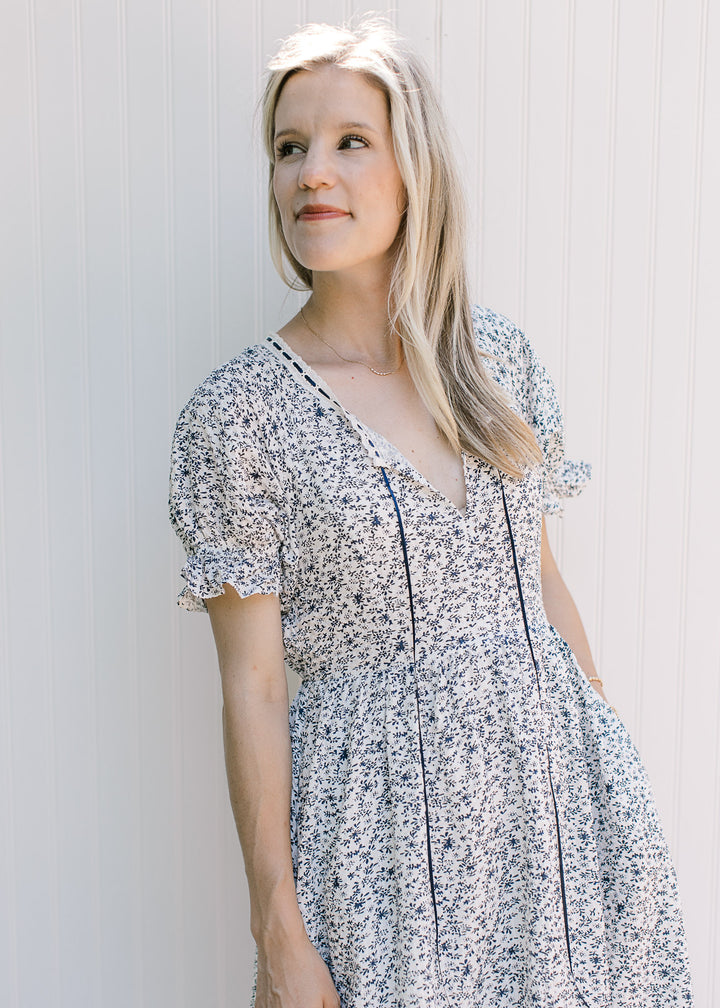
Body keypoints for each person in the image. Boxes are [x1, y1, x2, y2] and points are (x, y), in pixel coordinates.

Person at [169, 17, 693, 1008]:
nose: (311, 174)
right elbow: (255, 689)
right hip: (382, 857)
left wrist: (607, 771)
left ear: (417, 169)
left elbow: (539, 582)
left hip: (557, 836)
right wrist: (276, 929)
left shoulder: (499, 365)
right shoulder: (236, 417)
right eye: (290, 148)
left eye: (349, 141)